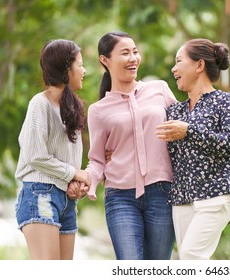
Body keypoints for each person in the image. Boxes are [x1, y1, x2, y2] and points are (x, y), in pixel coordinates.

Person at [85, 31, 177, 260]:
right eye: (125, 53)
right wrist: (88, 181)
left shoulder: (160, 90)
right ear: (105, 60)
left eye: (135, 52)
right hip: (120, 196)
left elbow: (182, 129)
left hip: (162, 192)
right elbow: (97, 159)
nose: (133, 58)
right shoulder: (98, 110)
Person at [155, 38, 230, 260]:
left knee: (191, 255)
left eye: (179, 61)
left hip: (217, 193)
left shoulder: (227, 102)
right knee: (188, 261)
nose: (173, 68)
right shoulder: (174, 112)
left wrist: (190, 132)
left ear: (199, 65)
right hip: (182, 199)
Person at [15, 39, 90, 260]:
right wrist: (74, 174)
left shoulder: (71, 108)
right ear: (67, 68)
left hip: (66, 201)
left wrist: (75, 183)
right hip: (41, 197)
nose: (84, 70)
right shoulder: (40, 104)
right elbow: (35, 155)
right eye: (80, 64)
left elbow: (70, 162)